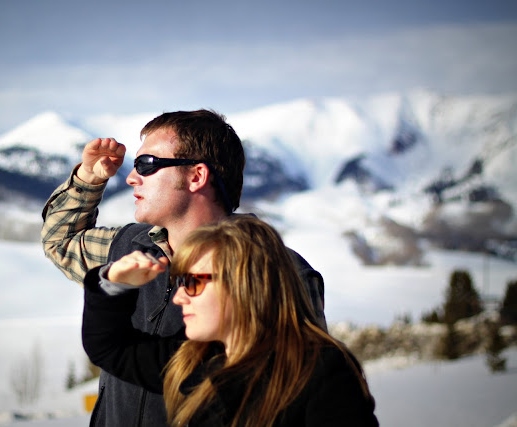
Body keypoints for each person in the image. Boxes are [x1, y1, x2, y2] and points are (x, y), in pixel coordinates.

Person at [41, 109, 327, 426]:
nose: (131, 178)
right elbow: (60, 240)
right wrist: (88, 178)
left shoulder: (276, 273)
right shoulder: (127, 248)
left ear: (196, 177)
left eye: (146, 164)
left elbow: (300, 397)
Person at [82, 215, 378, 426]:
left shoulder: (317, 372)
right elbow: (111, 348)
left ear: (243, 283)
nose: (179, 297)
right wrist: (114, 282)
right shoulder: (198, 359)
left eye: (192, 282)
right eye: (179, 282)